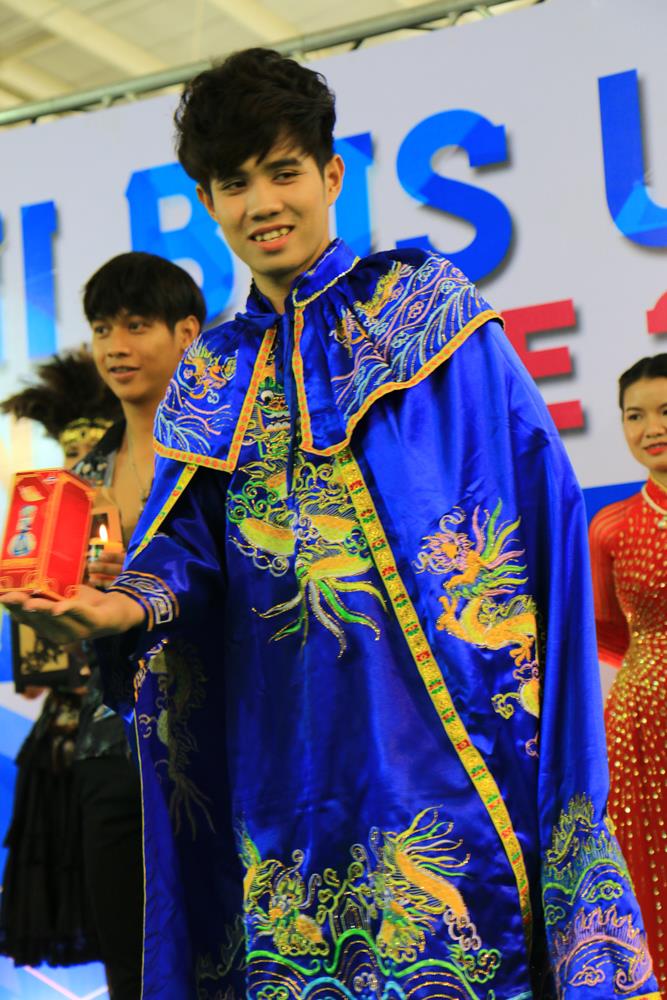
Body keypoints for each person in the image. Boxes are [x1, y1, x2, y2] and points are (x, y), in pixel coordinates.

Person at [2, 49, 659, 1000]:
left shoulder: (428, 315)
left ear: (331, 175)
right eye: (235, 184)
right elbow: (188, 552)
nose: (263, 204)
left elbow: (529, 504)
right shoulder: (212, 374)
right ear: (207, 201)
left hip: (448, 747)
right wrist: (123, 608)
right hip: (285, 767)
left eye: (284, 172)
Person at [2, 252, 204, 999]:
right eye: (102, 329)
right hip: (109, 745)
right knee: (132, 966)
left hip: (221, 739)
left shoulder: (228, 457)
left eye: (136, 326)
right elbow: (62, 625)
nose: (116, 347)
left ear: (187, 333)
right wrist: (43, 612)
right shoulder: (78, 482)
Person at [0, 347, 120, 969]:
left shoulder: (141, 522)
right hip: (67, 736)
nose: (82, 468)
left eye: (91, 455)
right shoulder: (40, 536)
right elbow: (32, 675)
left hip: (130, 731)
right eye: (73, 456)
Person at [588, 354, 667, 991]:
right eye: (634, 416)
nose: (651, 428)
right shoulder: (610, 527)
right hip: (641, 729)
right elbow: (608, 636)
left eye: (665, 412)